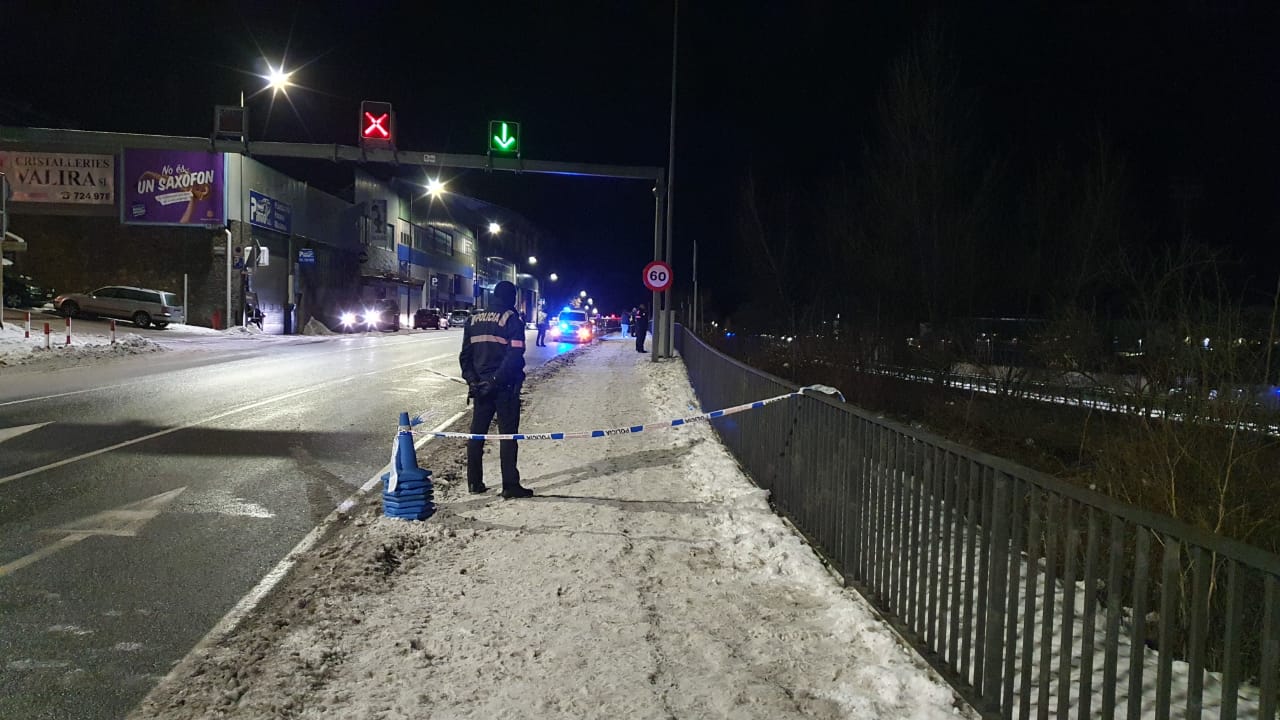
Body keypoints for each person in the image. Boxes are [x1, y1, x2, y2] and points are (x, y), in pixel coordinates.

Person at [459, 280, 532, 498]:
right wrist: (495, 380)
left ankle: (474, 482)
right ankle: (510, 485)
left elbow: (465, 357)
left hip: (480, 388)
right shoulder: (511, 320)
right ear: (511, 297)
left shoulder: (474, 319)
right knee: (508, 437)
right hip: (504, 387)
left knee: (477, 435)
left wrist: (473, 381)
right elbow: (514, 356)